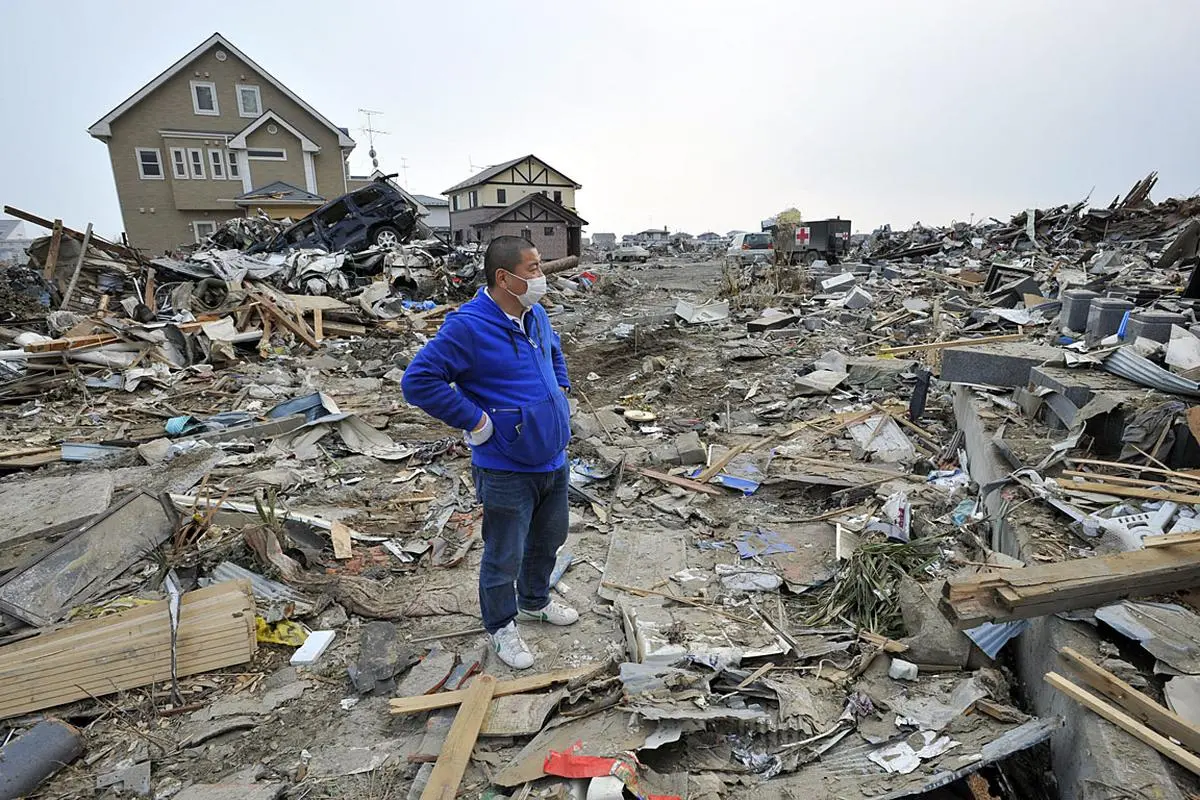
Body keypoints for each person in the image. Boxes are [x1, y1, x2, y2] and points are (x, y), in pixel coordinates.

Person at [401, 236, 577, 669]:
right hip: (506, 465)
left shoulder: (534, 314)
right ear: (505, 277)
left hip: (552, 457)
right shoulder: (469, 327)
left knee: (548, 539)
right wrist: (477, 423)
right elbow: (418, 381)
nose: (542, 276)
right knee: (504, 552)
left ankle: (534, 600)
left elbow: (554, 353)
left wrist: (561, 389)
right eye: (533, 269)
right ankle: (501, 626)